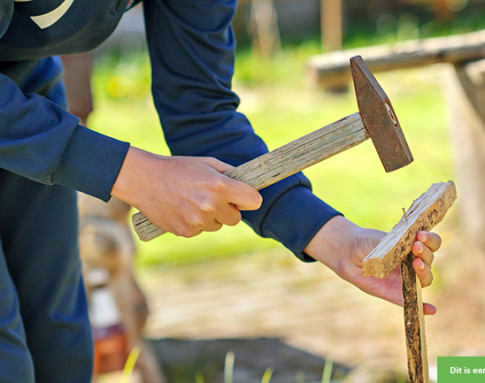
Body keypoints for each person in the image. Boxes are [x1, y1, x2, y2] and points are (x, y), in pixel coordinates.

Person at [0, 1, 441, 382]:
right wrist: (134, 174)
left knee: (58, 345)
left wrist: (336, 239)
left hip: (23, 93)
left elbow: (203, 115)